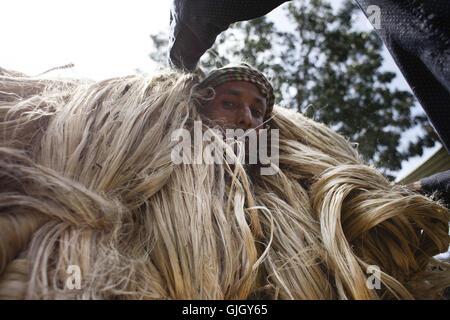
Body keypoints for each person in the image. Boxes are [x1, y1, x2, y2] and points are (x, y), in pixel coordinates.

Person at [167, 0, 450, 205]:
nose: (246, 118)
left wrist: (404, 197)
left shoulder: (298, 191)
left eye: (257, 111)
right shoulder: (171, 171)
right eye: (229, 103)